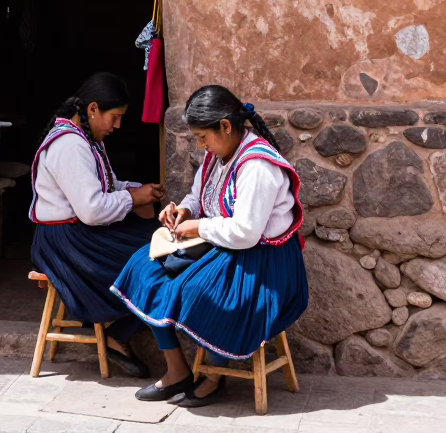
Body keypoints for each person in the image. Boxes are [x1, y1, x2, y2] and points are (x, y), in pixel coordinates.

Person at [111, 85, 307, 407]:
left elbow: (246, 232)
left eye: (203, 136)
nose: (200, 145)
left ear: (226, 127)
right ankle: (177, 370)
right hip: (225, 248)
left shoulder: (258, 166)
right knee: (143, 268)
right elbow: (198, 195)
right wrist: (183, 211)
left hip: (262, 260)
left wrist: (198, 226)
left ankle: (214, 375)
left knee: (197, 291)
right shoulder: (217, 155)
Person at [29, 72, 165, 378]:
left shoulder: (89, 139)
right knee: (155, 259)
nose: (116, 126)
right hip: (66, 241)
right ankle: (118, 336)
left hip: (82, 231)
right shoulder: (69, 145)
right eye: (114, 117)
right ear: (92, 110)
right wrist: (133, 198)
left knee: (163, 247)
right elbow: (91, 209)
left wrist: (139, 190)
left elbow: (108, 185)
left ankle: (118, 335)